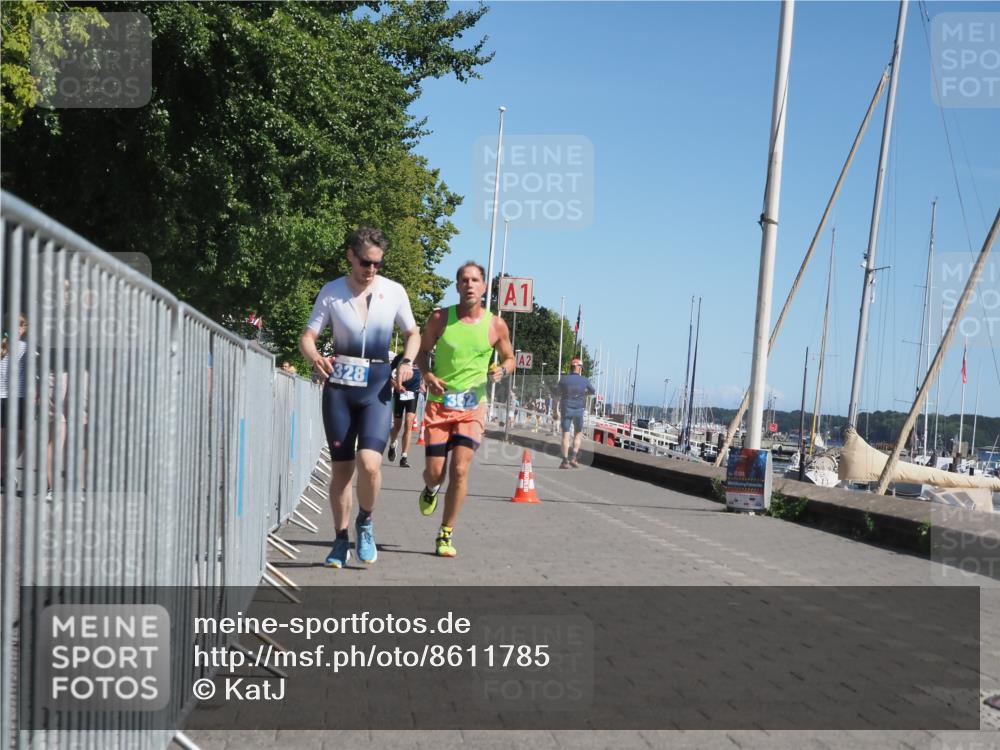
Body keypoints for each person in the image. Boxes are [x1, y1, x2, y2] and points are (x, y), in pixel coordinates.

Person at [299, 226, 420, 568]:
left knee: (370, 463)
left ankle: (365, 521)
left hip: (376, 387)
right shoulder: (332, 291)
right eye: (366, 262)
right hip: (340, 389)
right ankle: (340, 540)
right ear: (351, 256)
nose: (372, 269)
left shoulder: (393, 291)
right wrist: (314, 357)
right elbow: (307, 336)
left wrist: (406, 362)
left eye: (378, 264)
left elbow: (413, 333)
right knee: (341, 471)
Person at [415, 261, 515, 557]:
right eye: (464, 280)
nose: (469, 284)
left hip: (472, 407)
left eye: (475, 280)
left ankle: (445, 533)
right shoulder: (439, 319)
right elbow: (422, 351)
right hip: (439, 406)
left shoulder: (496, 325)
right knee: (435, 473)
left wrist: (502, 371)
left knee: (459, 469)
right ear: (457, 286)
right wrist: (428, 375)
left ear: (484, 287)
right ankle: (431, 488)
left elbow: (509, 358)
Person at [553, 357, 595, 468]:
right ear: (579, 368)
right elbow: (592, 391)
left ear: (571, 367)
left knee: (565, 434)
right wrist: (583, 394)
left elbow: (556, 397)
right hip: (578, 410)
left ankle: (565, 461)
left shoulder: (563, 380)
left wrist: (555, 411)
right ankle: (574, 458)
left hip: (566, 409)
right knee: (578, 433)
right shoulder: (584, 380)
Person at [387, 351, 423, 468]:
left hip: (413, 394)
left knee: (409, 423)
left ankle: (404, 457)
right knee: (397, 426)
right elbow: (388, 375)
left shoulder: (422, 356)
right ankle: (393, 444)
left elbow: (426, 372)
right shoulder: (400, 357)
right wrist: (396, 385)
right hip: (399, 393)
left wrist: (423, 383)